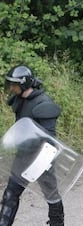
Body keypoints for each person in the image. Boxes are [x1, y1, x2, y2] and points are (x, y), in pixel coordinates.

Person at [0, 65, 64, 225]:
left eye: (14, 85)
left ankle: (57, 223)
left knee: (51, 196)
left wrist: (41, 163)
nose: (12, 88)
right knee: (11, 194)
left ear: (24, 84)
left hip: (42, 157)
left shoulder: (44, 104)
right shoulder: (21, 99)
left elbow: (50, 139)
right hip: (23, 155)